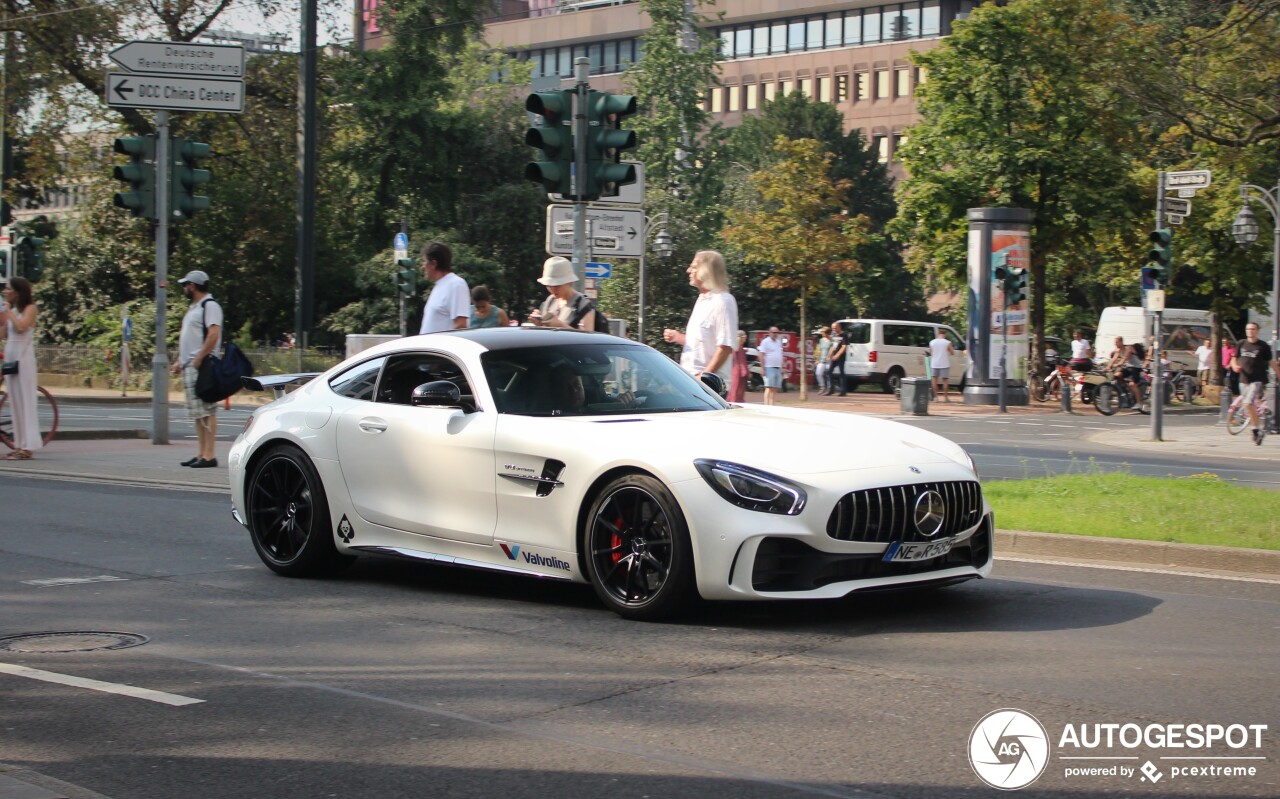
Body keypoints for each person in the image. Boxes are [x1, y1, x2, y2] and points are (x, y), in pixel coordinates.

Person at [170, 271, 222, 468]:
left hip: (203, 365)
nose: (184, 288)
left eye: (186, 285)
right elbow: (190, 339)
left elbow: (214, 334)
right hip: (192, 365)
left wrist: (199, 358)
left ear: (193, 286)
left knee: (207, 411)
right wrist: (180, 361)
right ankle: (201, 453)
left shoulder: (210, 305)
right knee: (197, 413)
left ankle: (210, 455)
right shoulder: (195, 307)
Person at [662, 250, 738, 383]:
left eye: (693, 267)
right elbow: (701, 343)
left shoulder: (724, 301)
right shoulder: (702, 300)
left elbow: (725, 347)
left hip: (710, 385)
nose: (688, 270)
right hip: (692, 380)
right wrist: (676, 337)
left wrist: (703, 378)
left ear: (705, 270)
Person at [1, 277, 42, 460]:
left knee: (26, 401)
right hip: (11, 357)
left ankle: (28, 446)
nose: (5, 291)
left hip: (23, 358)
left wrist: (8, 312)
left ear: (17, 292)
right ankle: (18, 444)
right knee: (15, 402)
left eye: (8, 289)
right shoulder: (13, 310)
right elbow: (4, 333)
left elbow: (21, 328)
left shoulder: (30, 309)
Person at [1231, 322, 1280, 445]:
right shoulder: (1241, 343)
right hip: (1243, 379)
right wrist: (1234, 366)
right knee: (1248, 404)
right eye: (1248, 329)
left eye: (1253, 329)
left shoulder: (1262, 346)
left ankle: (1255, 430)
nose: (1250, 331)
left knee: (1247, 403)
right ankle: (1259, 418)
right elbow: (1234, 358)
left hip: (1257, 379)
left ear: (1257, 331)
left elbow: (1271, 362)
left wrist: (1279, 374)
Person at [530, 257, 597, 331]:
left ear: (569, 282)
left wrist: (560, 325)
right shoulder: (550, 301)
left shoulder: (583, 304)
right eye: (549, 285)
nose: (553, 290)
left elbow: (588, 339)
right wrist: (540, 323)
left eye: (557, 285)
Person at [419, 242, 469, 334]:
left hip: (440, 348)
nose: (423, 266)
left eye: (424, 261)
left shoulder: (456, 284)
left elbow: (461, 325)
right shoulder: (438, 286)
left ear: (433, 264)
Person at [757, 327, 784, 405]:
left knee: (775, 388)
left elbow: (780, 354)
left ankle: (772, 404)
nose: (775, 334)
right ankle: (766, 404)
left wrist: (783, 367)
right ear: (770, 333)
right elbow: (761, 354)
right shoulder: (765, 342)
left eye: (777, 333)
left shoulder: (778, 342)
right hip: (769, 367)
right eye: (774, 332)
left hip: (777, 367)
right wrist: (763, 368)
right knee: (769, 387)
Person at [928, 328, 955, 402]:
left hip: (934, 363)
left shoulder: (932, 342)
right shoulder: (947, 342)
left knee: (934, 380)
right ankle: (945, 397)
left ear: (938, 334)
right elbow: (952, 352)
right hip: (944, 363)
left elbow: (930, 352)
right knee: (945, 380)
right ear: (945, 335)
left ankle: (936, 397)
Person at [825, 321, 848, 396]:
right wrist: (829, 355)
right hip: (834, 357)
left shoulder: (844, 335)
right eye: (832, 328)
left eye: (835, 328)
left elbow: (844, 347)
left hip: (841, 357)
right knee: (829, 372)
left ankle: (843, 391)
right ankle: (831, 389)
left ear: (839, 327)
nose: (833, 329)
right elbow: (833, 346)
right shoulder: (833, 335)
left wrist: (838, 355)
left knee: (841, 373)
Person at [728, 330, 749, 403]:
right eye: (744, 337)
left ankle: (734, 401)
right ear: (741, 338)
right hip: (738, 372)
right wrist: (745, 371)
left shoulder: (737, 348)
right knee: (737, 389)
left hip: (736, 371)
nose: (745, 339)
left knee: (735, 388)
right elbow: (741, 362)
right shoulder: (738, 348)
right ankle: (734, 402)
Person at [813, 326, 832, 394]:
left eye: (823, 332)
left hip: (829, 360)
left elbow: (832, 349)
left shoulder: (831, 340)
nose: (822, 333)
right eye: (822, 332)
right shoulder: (821, 340)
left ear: (827, 333)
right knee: (818, 373)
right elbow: (820, 350)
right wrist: (817, 359)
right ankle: (822, 386)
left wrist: (829, 356)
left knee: (828, 375)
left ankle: (829, 388)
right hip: (822, 359)